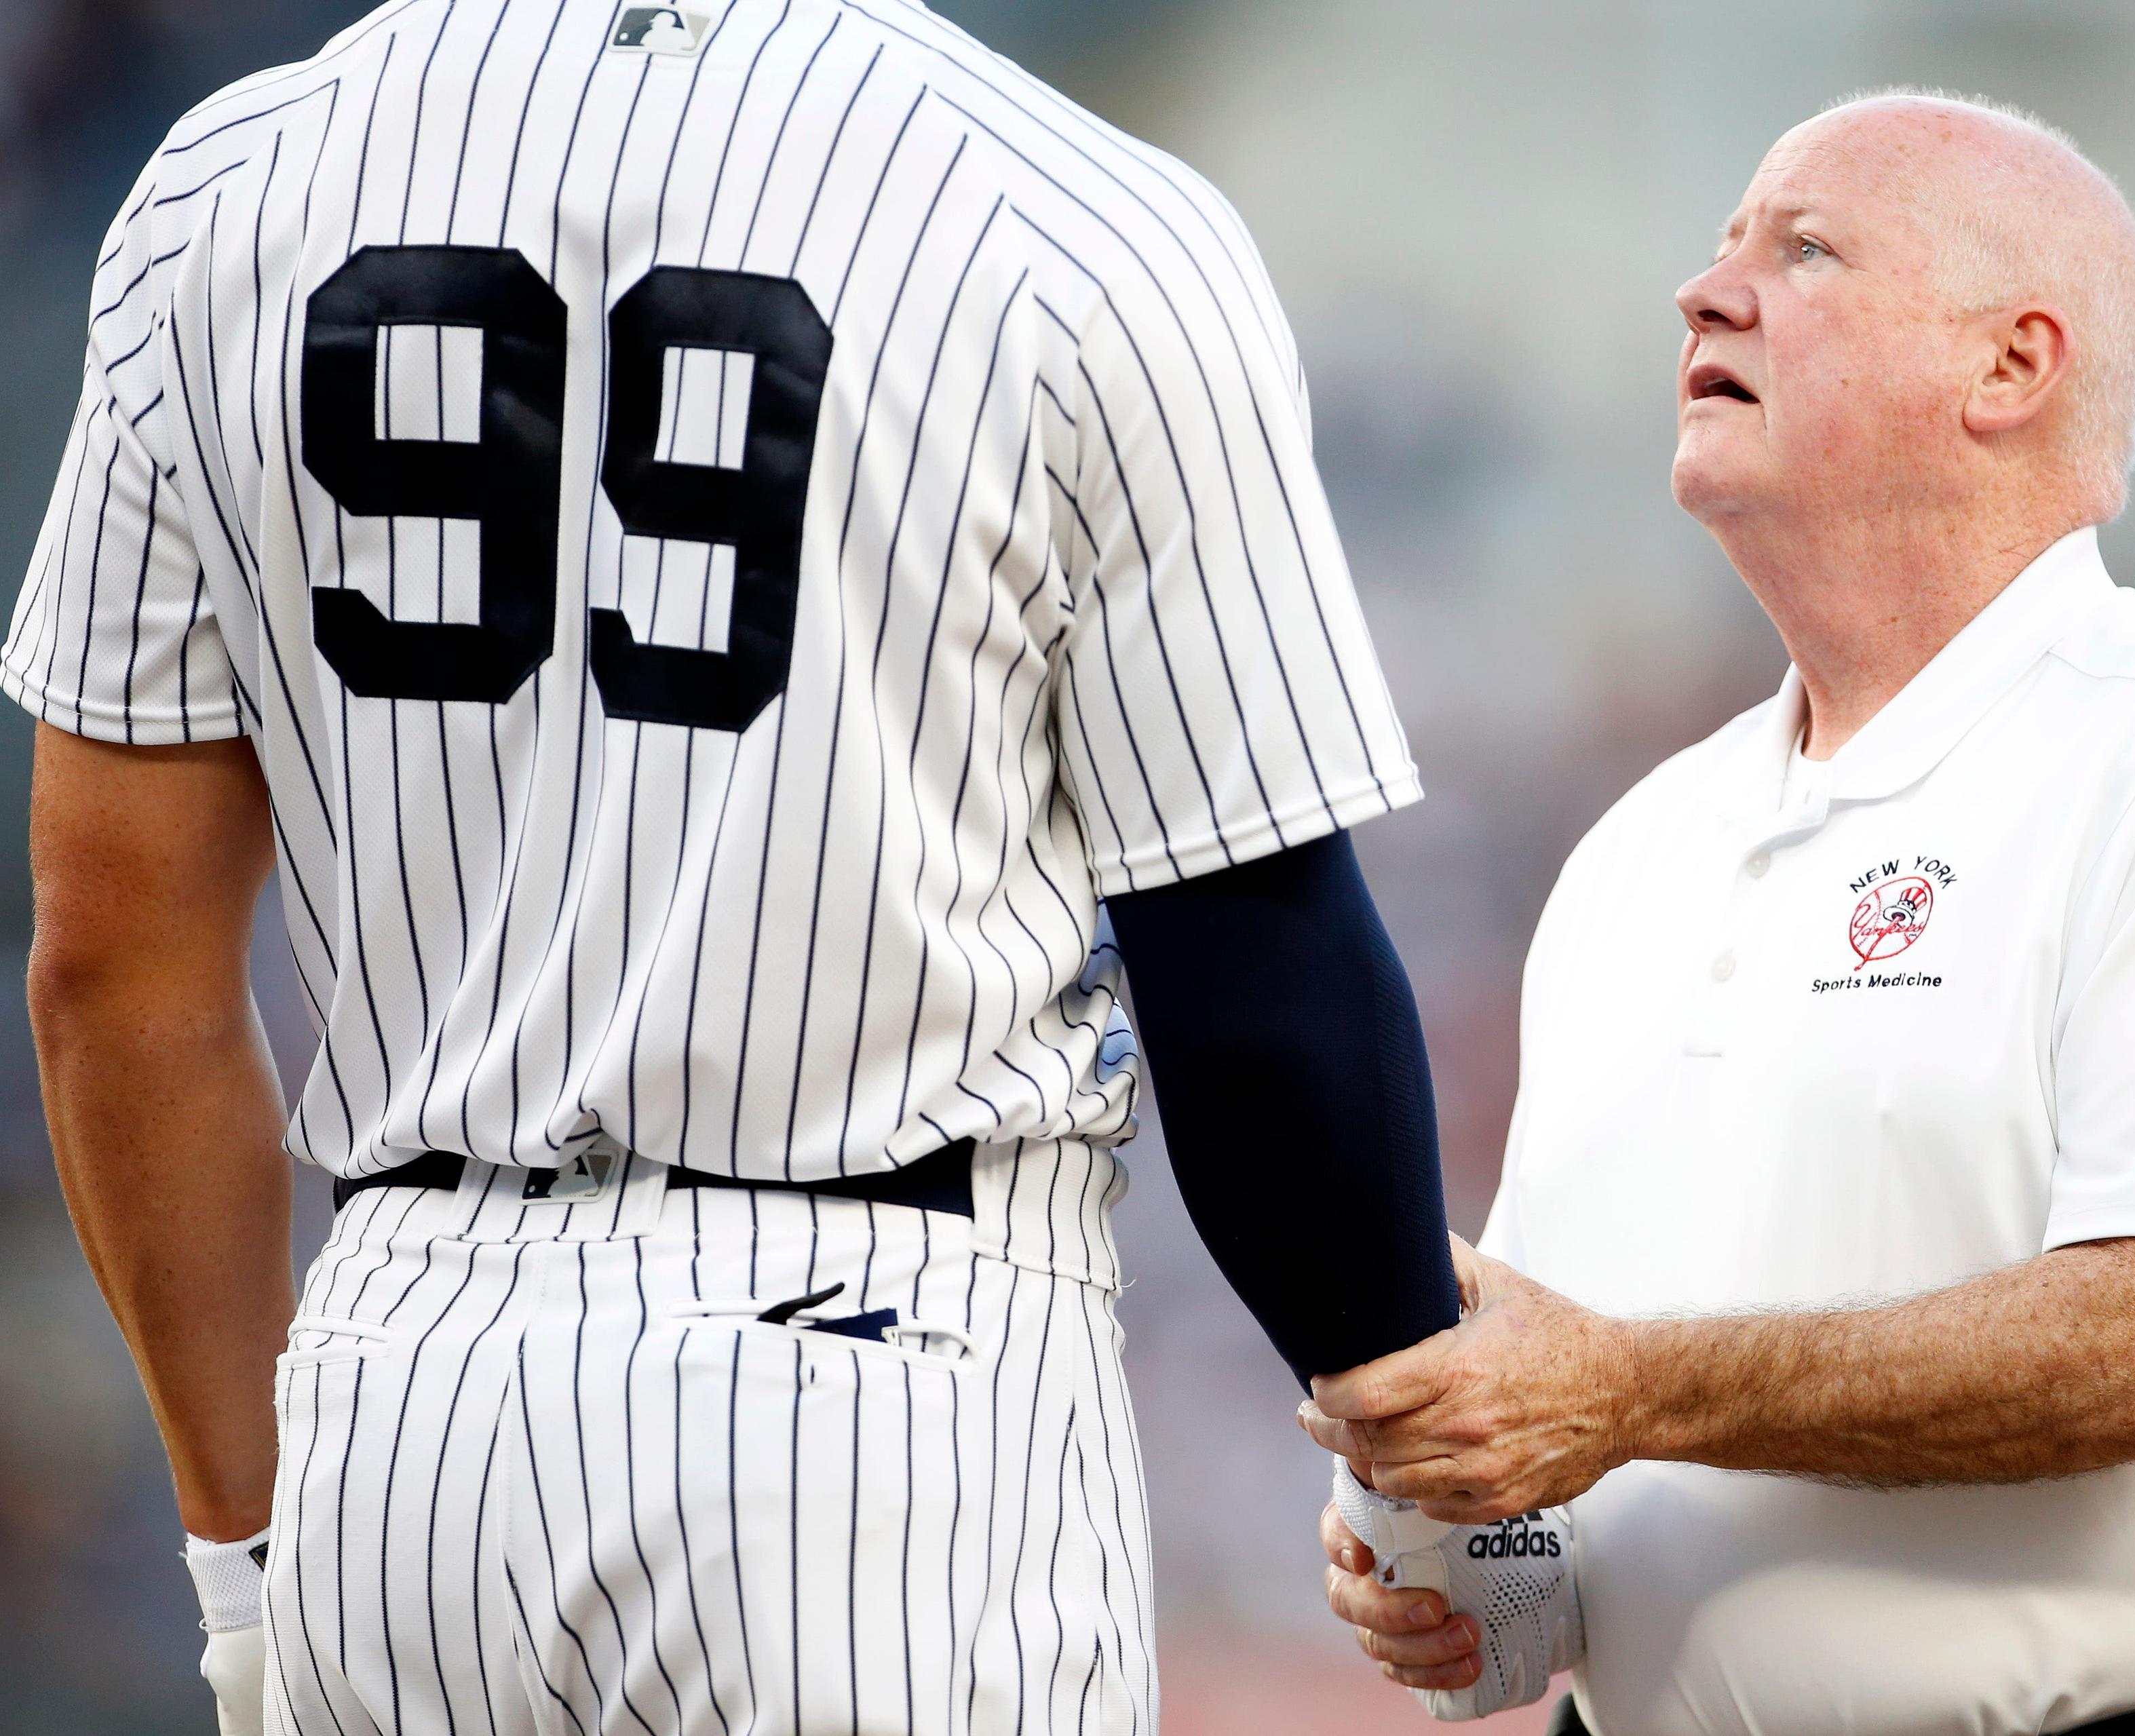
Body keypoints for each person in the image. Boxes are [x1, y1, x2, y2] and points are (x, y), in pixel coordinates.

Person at [11, 2, 1465, 1731]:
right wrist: (1433, 1490)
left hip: (398, 1396)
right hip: (873, 1396)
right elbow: (1259, 991)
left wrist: (249, 1559)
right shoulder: (1070, 214)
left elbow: (116, 962)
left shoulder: (223, 192)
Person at [1309, 91, 2135, 1736]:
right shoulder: (1638, 850)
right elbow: (1578, 1499)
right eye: (1718, 249)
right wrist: (1474, 1553)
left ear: (2011, 367)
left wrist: (1620, 1392)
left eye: (1802, 248)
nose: (1705, 294)